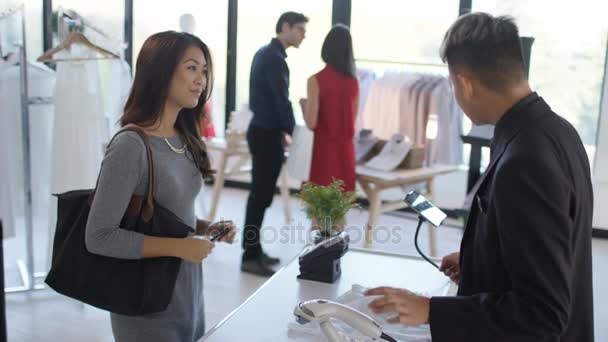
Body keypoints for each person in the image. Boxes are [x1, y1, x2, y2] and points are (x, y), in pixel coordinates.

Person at [365, 13, 594, 342]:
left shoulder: (525, 160)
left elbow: (543, 314)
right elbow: (554, 247)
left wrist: (431, 309)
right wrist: (480, 261)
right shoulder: (557, 129)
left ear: (464, 82)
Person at [85, 31, 237, 342]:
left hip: (187, 294)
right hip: (146, 307)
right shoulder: (130, 145)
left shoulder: (184, 137)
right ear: (161, 70)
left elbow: (166, 213)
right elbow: (99, 237)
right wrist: (180, 247)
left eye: (205, 70)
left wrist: (206, 228)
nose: (201, 80)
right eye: (192, 68)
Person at [242, 11, 308, 276]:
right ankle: (249, 255)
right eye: (300, 30)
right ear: (285, 27)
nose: (303, 35)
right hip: (265, 134)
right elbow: (282, 100)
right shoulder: (274, 59)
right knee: (260, 197)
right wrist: (293, 131)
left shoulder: (269, 54)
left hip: (265, 132)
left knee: (261, 196)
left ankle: (254, 250)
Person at [301, 24, 358, 192]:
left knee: (320, 210)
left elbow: (311, 122)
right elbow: (351, 121)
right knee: (339, 209)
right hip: (346, 152)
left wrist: (303, 105)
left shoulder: (315, 80)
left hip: (325, 152)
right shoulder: (354, 82)